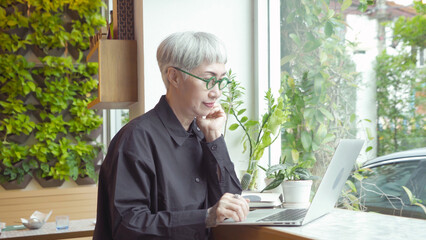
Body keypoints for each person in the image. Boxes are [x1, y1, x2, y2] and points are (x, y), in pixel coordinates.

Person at [93, 31, 249, 240]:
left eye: (221, 81)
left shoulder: (203, 133)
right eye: (208, 80)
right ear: (174, 77)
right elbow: (128, 226)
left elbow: (232, 205)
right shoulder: (136, 139)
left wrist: (214, 137)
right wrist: (206, 216)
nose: (217, 92)